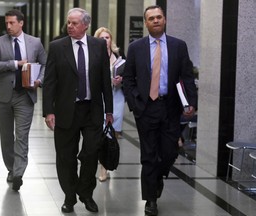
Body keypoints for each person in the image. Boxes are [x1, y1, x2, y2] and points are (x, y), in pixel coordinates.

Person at [123, 5, 197, 216]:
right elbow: (128, 79)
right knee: (148, 155)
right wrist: (135, 104)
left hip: (170, 107)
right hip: (146, 108)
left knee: (169, 152)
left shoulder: (178, 46)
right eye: (151, 18)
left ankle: (156, 179)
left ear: (164, 20)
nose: (155, 21)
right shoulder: (136, 47)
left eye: (159, 17)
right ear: (146, 23)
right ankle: (151, 200)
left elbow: (187, 76)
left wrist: (191, 102)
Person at [42, 8, 113, 214]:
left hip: (92, 110)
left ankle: (86, 193)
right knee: (66, 157)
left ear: (86, 25)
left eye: (74, 23)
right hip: (66, 110)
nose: (69, 27)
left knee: (91, 153)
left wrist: (109, 109)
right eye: (68, 23)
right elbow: (49, 82)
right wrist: (49, 111)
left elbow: (105, 81)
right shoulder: (57, 47)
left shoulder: (99, 45)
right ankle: (69, 196)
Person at [0, 9, 47, 191]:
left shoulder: (35, 42)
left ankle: (19, 173)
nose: (8, 26)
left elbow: (45, 64)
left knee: (22, 136)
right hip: (3, 96)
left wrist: (40, 80)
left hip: (25, 96)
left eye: (12, 23)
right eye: (6, 23)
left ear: (21, 23)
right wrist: (15, 63)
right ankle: (11, 169)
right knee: (6, 137)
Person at [94, 27, 125, 182]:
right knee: (102, 133)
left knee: (112, 133)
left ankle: (109, 160)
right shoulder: (94, 55)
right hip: (100, 98)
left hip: (117, 97)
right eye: (102, 37)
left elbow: (129, 76)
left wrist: (121, 80)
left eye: (107, 37)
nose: (105, 40)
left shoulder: (118, 57)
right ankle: (102, 168)